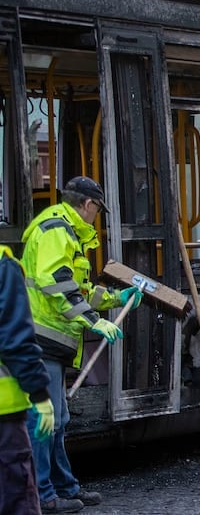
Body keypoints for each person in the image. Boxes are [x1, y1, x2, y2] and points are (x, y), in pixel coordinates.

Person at [23, 176, 143, 513]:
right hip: (41, 341)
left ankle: (64, 487)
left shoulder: (66, 233)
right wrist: (94, 320)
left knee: (57, 420)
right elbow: (57, 285)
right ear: (88, 205)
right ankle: (44, 496)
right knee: (47, 420)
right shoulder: (56, 231)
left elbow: (80, 288)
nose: (96, 217)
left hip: (50, 343)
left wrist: (116, 298)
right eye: (97, 210)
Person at [0, 244, 54, 514]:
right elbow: (15, 341)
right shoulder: (2, 264)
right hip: (4, 416)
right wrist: (40, 395)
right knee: (16, 501)